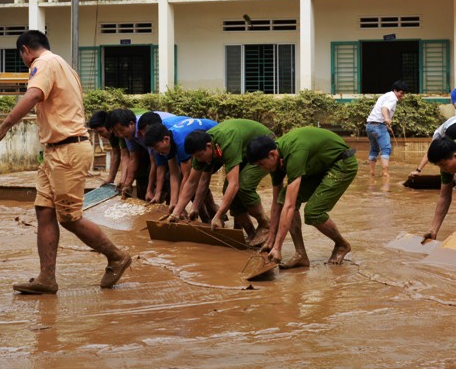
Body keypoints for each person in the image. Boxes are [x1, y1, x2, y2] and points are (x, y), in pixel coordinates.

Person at [0, 30, 131, 294]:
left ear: (25, 51)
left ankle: (116, 256)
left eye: (23, 58)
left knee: (69, 217)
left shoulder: (43, 63)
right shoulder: (63, 65)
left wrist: (2, 129)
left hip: (68, 150)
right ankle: (46, 278)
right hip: (55, 151)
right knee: (44, 210)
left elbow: (32, 96)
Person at [247, 127, 358, 269]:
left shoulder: (294, 154)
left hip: (342, 163)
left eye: (262, 164)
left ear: (272, 154)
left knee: (313, 212)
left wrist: (277, 247)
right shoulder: (276, 162)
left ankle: (342, 245)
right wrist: (271, 239)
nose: (262, 169)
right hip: (318, 166)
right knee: (283, 197)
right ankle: (301, 255)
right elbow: (277, 203)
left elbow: (289, 205)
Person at [171, 119, 272, 244]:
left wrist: (218, 215)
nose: (198, 159)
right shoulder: (200, 153)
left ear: (209, 146)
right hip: (243, 151)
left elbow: (234, 184)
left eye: (200, 156)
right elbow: (193, 182)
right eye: (195, 157)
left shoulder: (227, 143)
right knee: (227, 191)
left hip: (263, 147)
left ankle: (265, 225)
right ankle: (251, 234)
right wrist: (177, 212)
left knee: (243, 186)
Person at [143, 116, 217, 210]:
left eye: (156, 147)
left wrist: (179, 206)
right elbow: (174, 174)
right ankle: (203, 214)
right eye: (154, 149)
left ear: (166, 139)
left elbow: (187, 177)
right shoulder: (168, 142)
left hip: (213, 144)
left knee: (196, 180)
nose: (157, 152)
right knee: (184, 181)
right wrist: (174, 203)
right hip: (198, 143)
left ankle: (211, 214)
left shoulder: (181, 143)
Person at [365, 80, 409, 178]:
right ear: (395, 90)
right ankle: (385, 173)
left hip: (370, 126)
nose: (402, 95)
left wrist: (387, 126)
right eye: (401, 93)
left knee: (374, 150)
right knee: (386, 148)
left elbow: (379, 111)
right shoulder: (393, 98)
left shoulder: (385, 95)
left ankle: (371, 173)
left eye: (403, 93)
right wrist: (387, 119)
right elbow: (384, 108)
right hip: (379, 126)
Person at [87, 109, 129, 188]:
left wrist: (123, 181)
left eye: (101, 131)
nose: (101, 135)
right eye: (98, 133)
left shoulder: (120, 130)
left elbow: (125, 156)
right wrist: (110, 179)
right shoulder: (112, 135)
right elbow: (116, 154)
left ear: (109, 126)